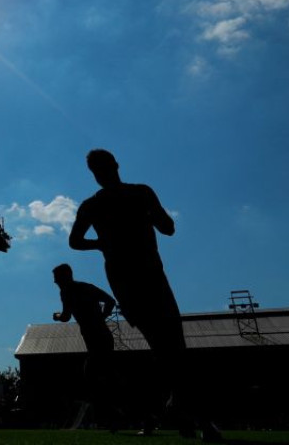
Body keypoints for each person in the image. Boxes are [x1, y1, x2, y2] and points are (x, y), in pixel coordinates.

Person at [69, 149, 221, 441]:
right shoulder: (127, 196)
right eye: (100, 170)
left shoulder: (110, 201)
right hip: (139, 280)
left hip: (141, 279)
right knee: (170, 348)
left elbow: (76, 241)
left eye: (102, 169)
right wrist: (107, 241)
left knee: (168, 349)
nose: (103, 174)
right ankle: (187, 415)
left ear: (109, 168)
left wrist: (104, 241)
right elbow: (168, 227)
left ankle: (172, 412)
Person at [51, 264, 117, 429]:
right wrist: (102, 316)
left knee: (95, 375)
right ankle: (111, 416)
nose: (56, 283)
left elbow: (66, 316)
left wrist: (57, 316)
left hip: (97, 338)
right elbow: (110, 301)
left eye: (57, 279)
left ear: (65, 277)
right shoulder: (86, 288)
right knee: (101, 376)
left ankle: (114, 414)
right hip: (101, 337)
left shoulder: (66, 292)